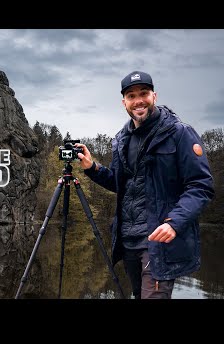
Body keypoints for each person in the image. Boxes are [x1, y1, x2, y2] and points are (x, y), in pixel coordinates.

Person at [75, 70, 214, 299]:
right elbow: (123, 185)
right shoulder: (121, 139)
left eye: (144, 93)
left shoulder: (179, 133)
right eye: (131, 96)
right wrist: (93, 168)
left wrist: (174, 223)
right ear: (124, 102)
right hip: (128, 240)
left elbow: (201, 185)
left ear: (154, 96)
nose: (138, 100)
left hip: (158, 241)